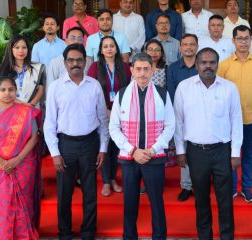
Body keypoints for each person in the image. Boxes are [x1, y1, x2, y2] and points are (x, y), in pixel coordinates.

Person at [174, 47, 243, 239]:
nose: (208, 66)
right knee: (201, 199)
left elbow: (236, 121)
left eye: (212, 62)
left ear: (217, 64)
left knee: (225, 200)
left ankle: (227, 236)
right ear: (196, 65)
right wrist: (180, 150)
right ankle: (205, 236)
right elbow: (178, 121)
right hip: (196, 152)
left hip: (222, 151)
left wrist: (235, 152)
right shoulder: (184, 87)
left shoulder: (229, 88)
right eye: (203, 62)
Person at [44, 43, 109, 240]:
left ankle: (88, 231)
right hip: (66, 145)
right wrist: (55, 153)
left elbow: (103, 120)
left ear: (85, 61)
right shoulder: (55, 87)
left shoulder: (94, 85)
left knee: (90, 192)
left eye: (79, 60)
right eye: (71, 60)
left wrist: (103, 148)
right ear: (64, 63)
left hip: (90, 144)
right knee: (64, 193)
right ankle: (64, 231)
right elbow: (49, 124)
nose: (75, 63)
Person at [109, 52, 175, 240]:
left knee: (156, 203)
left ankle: (159, 237)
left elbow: (170, 126)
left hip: (154, 157)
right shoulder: (122, 94)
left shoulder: (162, 93)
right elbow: (113, 127)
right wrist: (133, 150)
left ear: (153, 70)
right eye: (138, 69)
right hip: (130, 158)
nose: (142, 73)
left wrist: (153, 149)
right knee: (130, 203)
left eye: (146, 69)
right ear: (132, 70)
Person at [0, 76, 42, 239]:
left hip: (23, 164)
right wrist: (2, 162)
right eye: (3, 90)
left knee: (24, 202)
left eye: (11, 89)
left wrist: (17, 159)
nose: (7, 93)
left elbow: (34, 137)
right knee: (3, 203)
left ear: (16, 91)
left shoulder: (25, 112)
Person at [218, 25, 252, 202]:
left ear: (250, 39)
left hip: (251, 118)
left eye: (247, 38)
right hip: (228, 120)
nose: (243, 42)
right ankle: (231, 188)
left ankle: (247, 188)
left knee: (247, 154)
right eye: (240, 38)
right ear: (233, 41)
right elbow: (219, 91)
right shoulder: (224, 65)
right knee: (231, 155)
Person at [87, 36, 131, 197]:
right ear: (100, 50)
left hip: (121, 114)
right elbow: (90, 91)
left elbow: (129, 90)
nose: (109, 49)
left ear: (116, 49)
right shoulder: (94, 67)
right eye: (105, 46)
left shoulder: (125, 67)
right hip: (102, 113)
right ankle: (106, 181)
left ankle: (113, 178)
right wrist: (104, 110)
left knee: (116, 146)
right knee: (104, 146)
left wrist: (118, 112)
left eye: (112, 46)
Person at [166, 33, 198, 201]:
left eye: (192, 44)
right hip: (181, 115)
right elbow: (171, 93)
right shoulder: (172, 68)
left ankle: (200, 184)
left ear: (197, 47)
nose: (188, 47)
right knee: (183, 149)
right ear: (180, 48)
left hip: (201, 115)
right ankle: (186, 186)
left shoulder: (202, 65)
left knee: (199, 152)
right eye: (185, 44)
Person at [0, 34, 46, 108]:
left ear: (28, 49)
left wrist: (31, 104)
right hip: (11, 109)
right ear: (11, 49)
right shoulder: (5, 68)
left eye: (24, 47)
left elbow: (40, 89)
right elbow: (3, 91)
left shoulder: (36, 68)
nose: (21, 51)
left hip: (32, 110)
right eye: (17, 47)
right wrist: (23, 105)